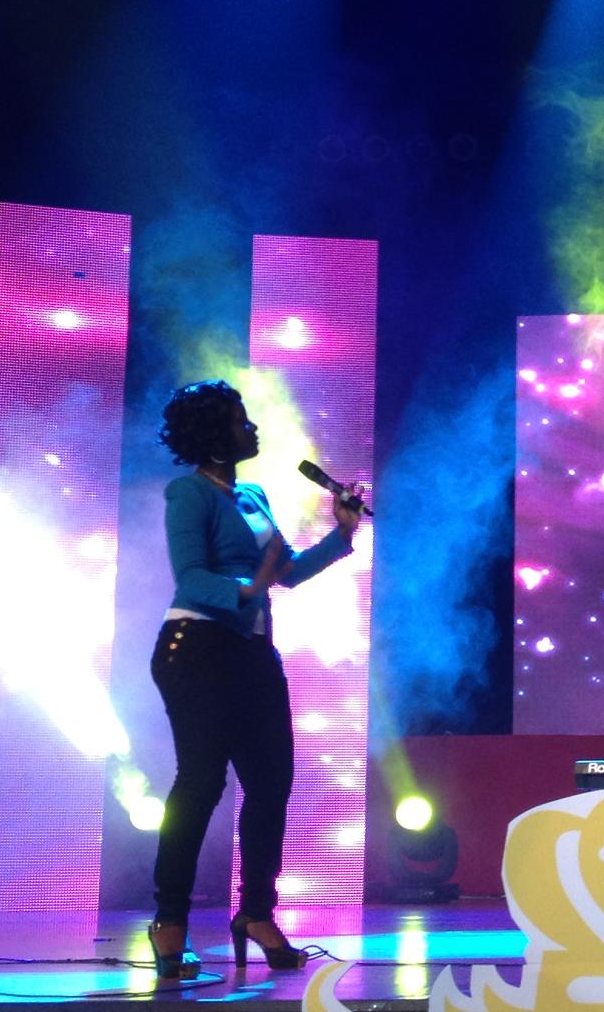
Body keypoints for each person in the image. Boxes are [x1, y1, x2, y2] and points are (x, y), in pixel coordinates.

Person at [146, 380, 362, 981]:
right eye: (242, 421)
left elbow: (286, 572)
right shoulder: (188, 493)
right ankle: (169, 919)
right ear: (214, 435)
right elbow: (191, 578)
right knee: (201, 783)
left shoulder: (252, 495)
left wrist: (342, 533)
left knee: (271, 785)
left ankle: (257, 914)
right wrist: (250, 587)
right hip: (197, 648)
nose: (253, 428)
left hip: (252, 651)